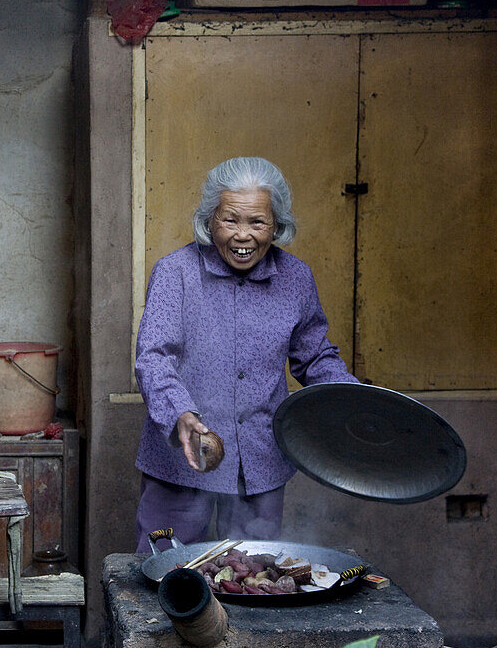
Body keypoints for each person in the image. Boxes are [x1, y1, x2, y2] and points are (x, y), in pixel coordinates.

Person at [133, 157, 355, 551]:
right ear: (209, 219)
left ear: (276, 224)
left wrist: (357, 401)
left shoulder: (295, 278)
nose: (243, 236)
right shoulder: (176, 273)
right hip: (183, 460)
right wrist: (180, 413)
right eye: (230, 220)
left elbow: (315, 357)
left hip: (261, 458)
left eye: (257, 222)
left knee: (253, 579)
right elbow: (153, 356)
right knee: (166, 577)